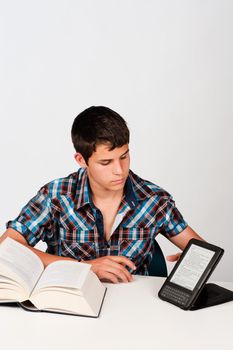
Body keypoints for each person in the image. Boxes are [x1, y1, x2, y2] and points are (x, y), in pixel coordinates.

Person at [0, 106, 203, 283]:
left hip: (136, 308)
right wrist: (85, 267)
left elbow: (204, 251)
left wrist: (194, 259)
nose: (119, 170)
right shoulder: (56, 196)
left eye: (124, 156)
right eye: (106, 162)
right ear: (81, 160)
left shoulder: (154, 200)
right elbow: (6, 246)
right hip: (69, 307)